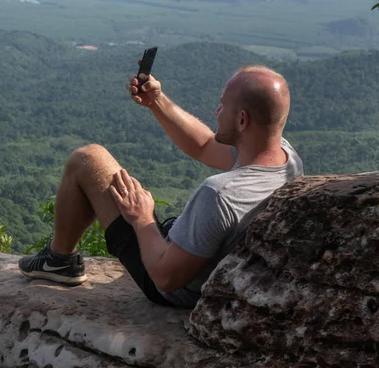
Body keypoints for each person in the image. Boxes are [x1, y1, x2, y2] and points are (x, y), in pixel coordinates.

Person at [18, 64, 304, 308]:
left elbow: (166, 278)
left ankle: (59, 260)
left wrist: (142, 219)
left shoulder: (220, 194)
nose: (216, 111)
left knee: (87, 159)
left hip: (172, 286)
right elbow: (204, 145)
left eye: (223, 106)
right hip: (194, 258)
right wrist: (156, 100)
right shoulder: (286, 158)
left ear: (242, 120)